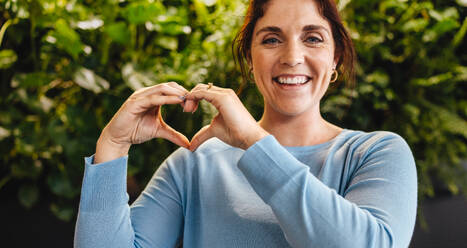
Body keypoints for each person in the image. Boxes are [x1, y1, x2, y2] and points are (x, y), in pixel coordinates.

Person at [74, 0, 417, 247]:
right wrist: (112, 147)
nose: (292, 57)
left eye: (313, 38)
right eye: (271, 39)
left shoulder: (376, 153)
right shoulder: (196, 163)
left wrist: (254, 143)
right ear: (250, 61)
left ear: (335, 58)